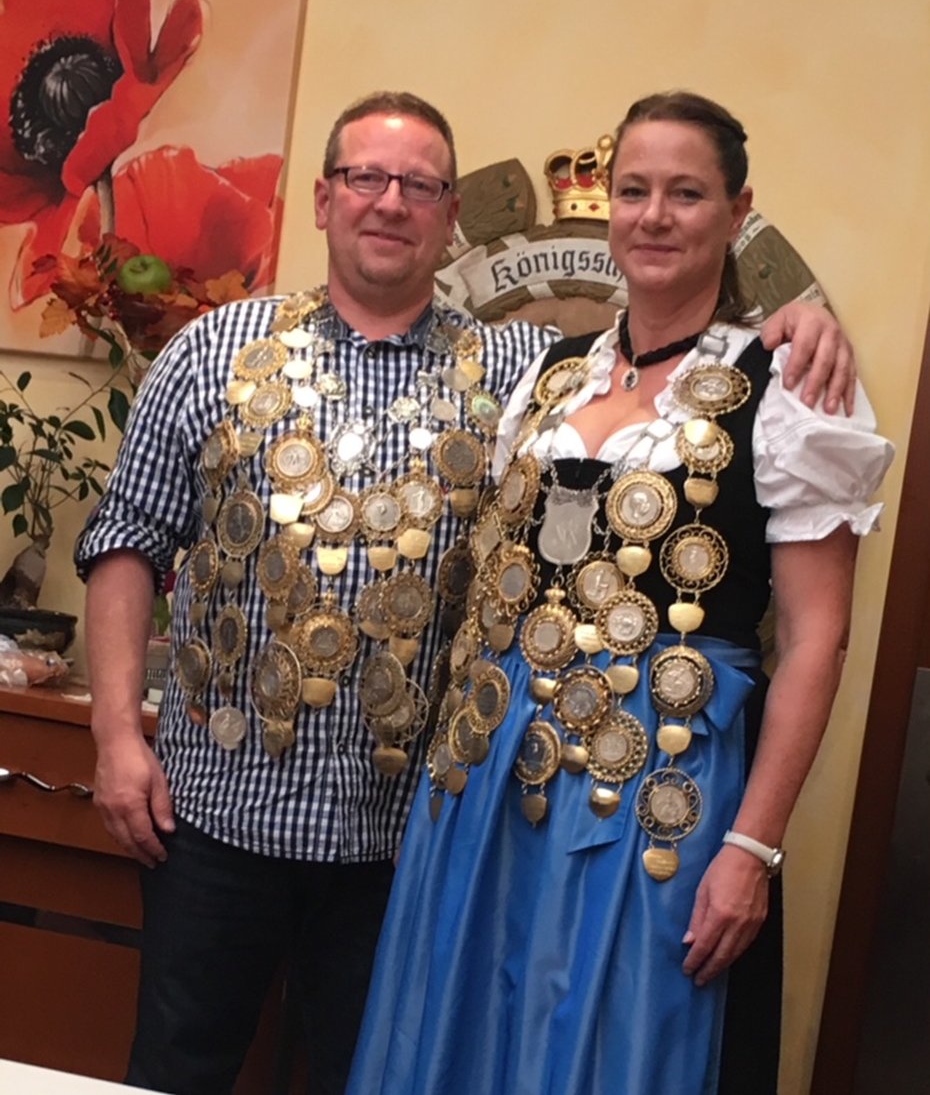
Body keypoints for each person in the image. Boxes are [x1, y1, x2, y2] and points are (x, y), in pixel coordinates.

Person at [77, 90, 855, 1095]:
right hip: (222, 814)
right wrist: (114, 735)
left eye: (419, 186)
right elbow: (127, 537)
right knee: (177, 1070)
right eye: (366, 177)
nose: (389, 202)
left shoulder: (521, 365)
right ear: (322, 197)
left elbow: (805, 614)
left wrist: (796, 325)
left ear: (450, 217)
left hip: (404, 833)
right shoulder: (218, 348)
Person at [346, 91, 892, 1095]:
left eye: (687, 193)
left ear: (737, 212)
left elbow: (818, 639)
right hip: (490, 774)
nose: (654, 216)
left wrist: (752, 848)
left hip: (653, 783)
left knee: (611, 1037)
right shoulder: (554, 374)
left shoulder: (787, 386)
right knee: (466, 1025)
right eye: (635, 191)